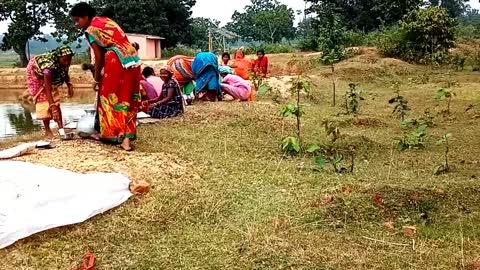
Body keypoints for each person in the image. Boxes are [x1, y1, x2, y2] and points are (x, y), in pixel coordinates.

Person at [70, 2, 141, 151]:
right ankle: (126, 138)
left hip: (116, 61)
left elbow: (99, 56)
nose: (77, 24)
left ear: (86, 17)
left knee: (110, 99)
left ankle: (114, 135)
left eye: (78, 20)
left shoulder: (91, 30)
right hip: (133, 60)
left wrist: (96, 78)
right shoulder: (106, 21)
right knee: (128, 98)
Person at [26, 45, 75, 138]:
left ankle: (61, 130)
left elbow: (65, 72)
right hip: (36, 74)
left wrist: (69, 85)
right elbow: (48, 89)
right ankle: (48, 130)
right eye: (65, 60)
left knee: (57, 102)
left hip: (47, 75)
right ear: (58, 57)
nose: (67, 62)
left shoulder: (64, 63)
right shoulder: (48, 69)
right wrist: (52, 106)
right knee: (44, 102)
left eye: (69, 60)